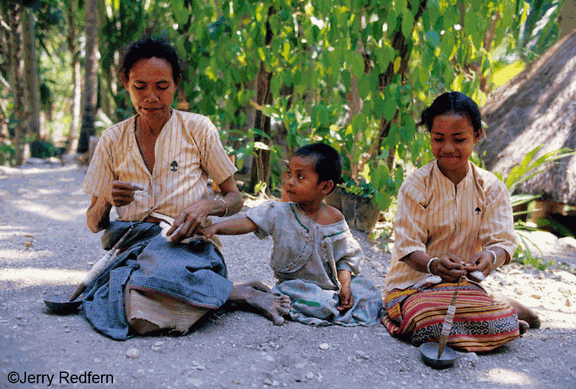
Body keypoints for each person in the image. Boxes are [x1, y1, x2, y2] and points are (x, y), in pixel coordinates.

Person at [81, 36, 290, 340]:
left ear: (176, 83)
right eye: (140, 86)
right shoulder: (112, 140)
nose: (151, 96)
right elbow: (93, 223)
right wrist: (106, 200)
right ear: (126, 83)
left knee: (150, 289)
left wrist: (208, 206)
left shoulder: (197, 129)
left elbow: (234, 198)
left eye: (162, 86)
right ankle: (234, 293)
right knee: (131, 308)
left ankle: (200, 291)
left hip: (186, 245)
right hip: (131, 246)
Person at [382, 91, 540, 352]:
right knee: (428, 320)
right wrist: (433, 265)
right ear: (429, 137)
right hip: (413, 288)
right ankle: (502, 316)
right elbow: (408, 248)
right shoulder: (415, 186)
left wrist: (490, 256)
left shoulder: (491, 188)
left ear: (477, 136)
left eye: (459, 139)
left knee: (445, 320)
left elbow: (502, 242)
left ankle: (497, 313)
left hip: (462, 286)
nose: (447, 148)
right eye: (438, 138)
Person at [198, 143, 383, 326]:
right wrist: (215, 228)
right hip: (296, 287)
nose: (290, 181)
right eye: (289, 173)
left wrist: (346, 286)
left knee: (370, 294)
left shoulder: (335, 219)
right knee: (312, 301)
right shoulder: (280, 212)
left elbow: (345, 258)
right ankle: (321, 307)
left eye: (300, 176)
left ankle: (332, 305)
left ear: (325, 187)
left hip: (330, 287)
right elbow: (249, 221)